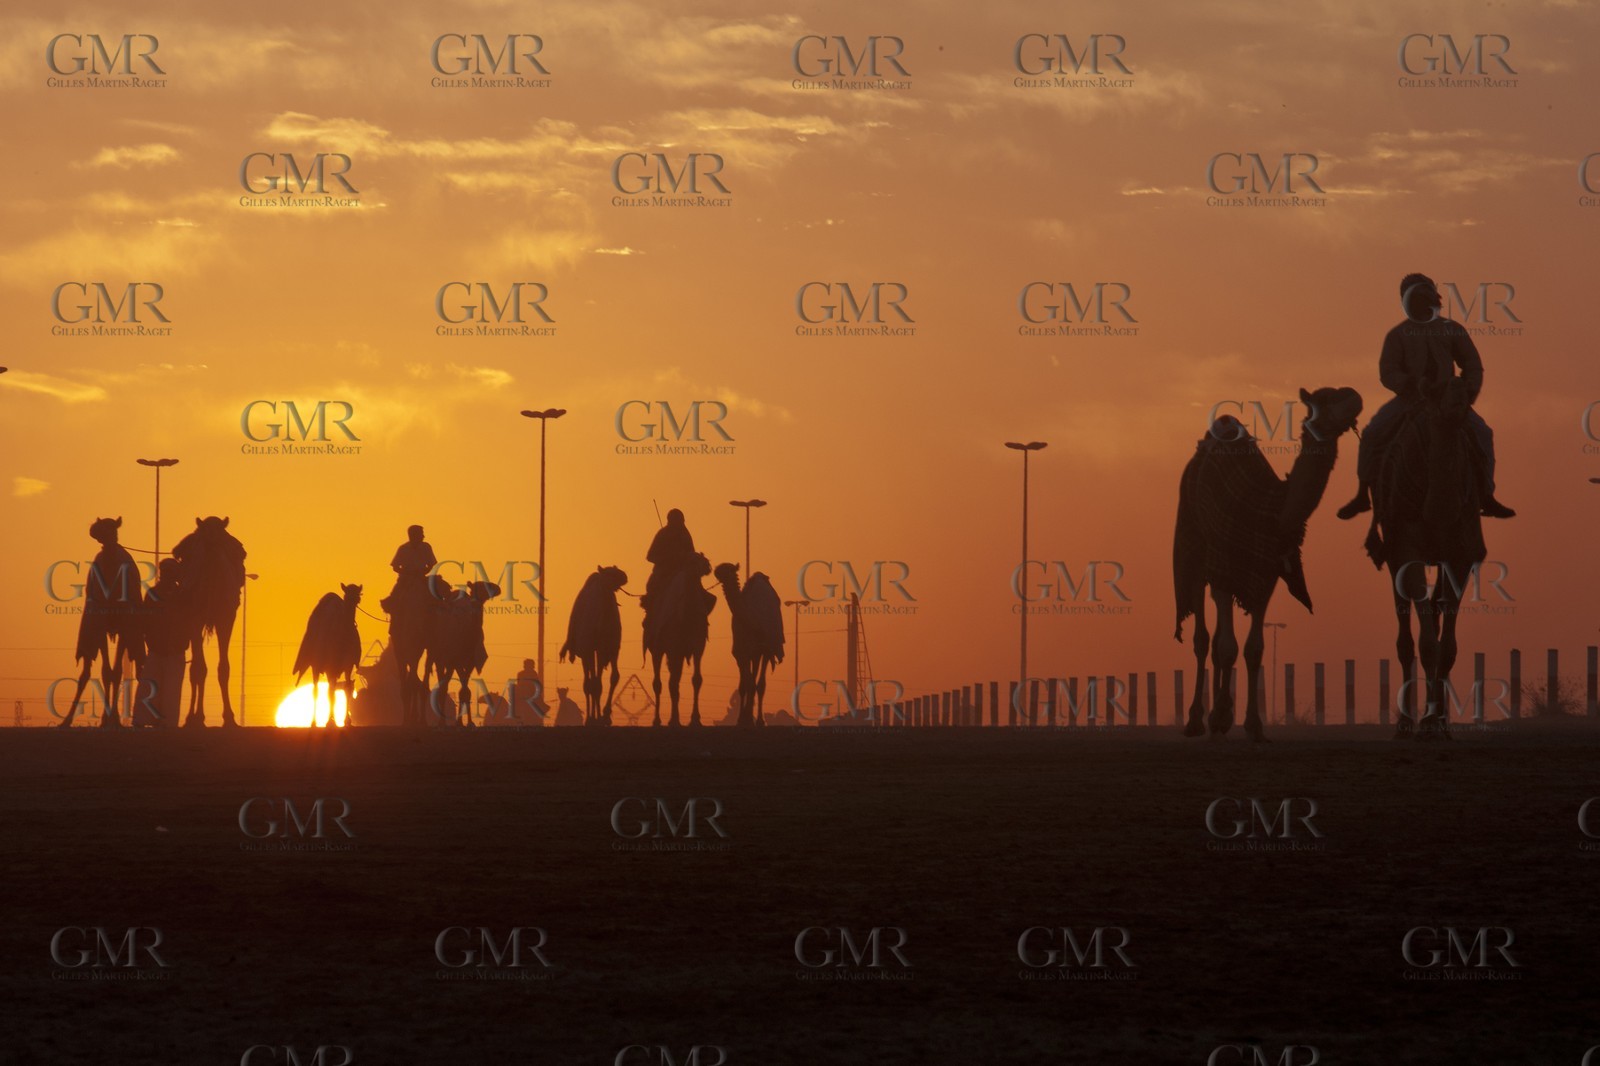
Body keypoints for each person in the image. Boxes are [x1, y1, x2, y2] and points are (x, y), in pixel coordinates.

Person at [1337, 273, 1515, 520]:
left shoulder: (1452, 330)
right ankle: (1361, 495)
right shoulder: (1397, 335)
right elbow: (1387, 371)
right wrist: (1409, 384)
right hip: (1410, 400)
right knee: (1372, 433)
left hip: (1448, 400)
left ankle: (1486, 494)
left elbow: (1472, 364)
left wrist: (1466, 393)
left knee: (1483, 433)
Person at [641, 508, 696, 613]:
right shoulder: (663, 534)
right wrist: (668, 558)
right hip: (664, 572)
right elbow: (650, 556)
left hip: (683, 570)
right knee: (653, 590)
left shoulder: (685, 535)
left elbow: (691, 553)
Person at [380, 524, 437, 613]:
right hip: (405, 579)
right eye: (421, 534)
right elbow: (395, 567)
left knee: (437, 595)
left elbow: (431, 565)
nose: (423, 536)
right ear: (413, 535)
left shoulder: (426, 547)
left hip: (421, 578)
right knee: (394, 597)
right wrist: (407, 572)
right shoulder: (403, 549)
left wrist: (421, 572)